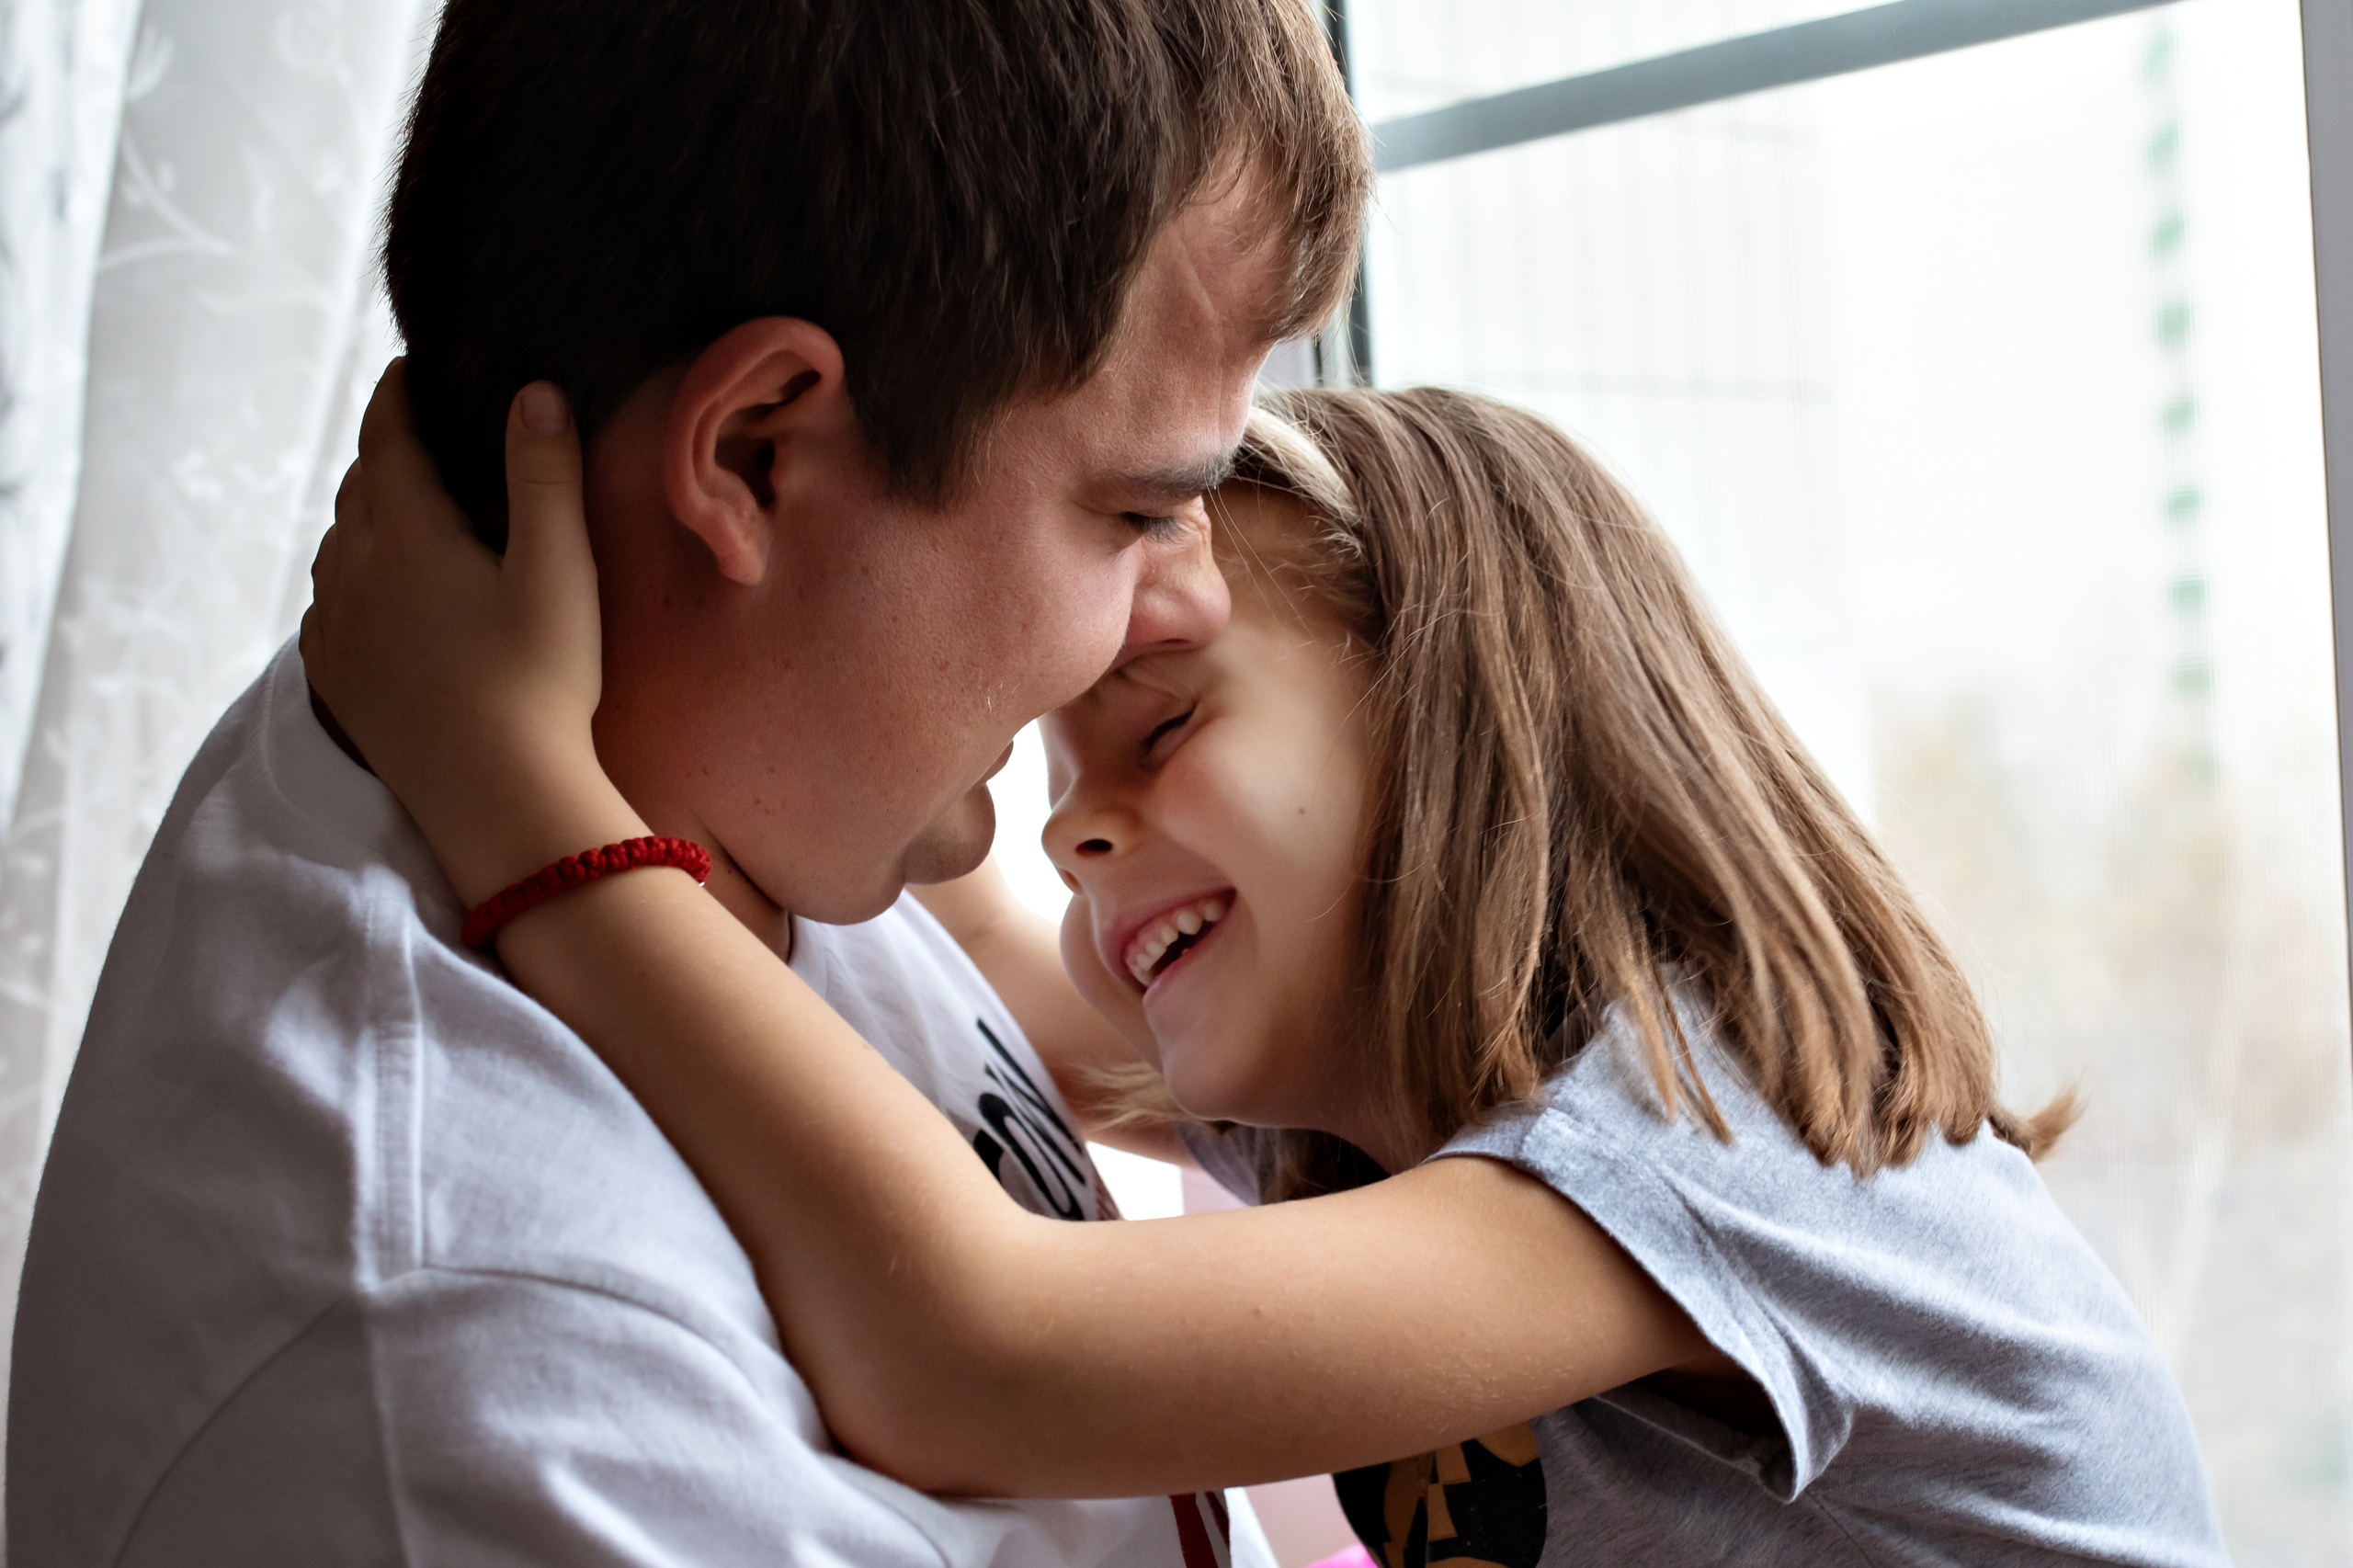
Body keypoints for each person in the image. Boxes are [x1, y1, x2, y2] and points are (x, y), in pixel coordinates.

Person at [302, 382, 2232, 1568]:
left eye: (1156, 731)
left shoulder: (1693, 1139)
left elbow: (970, 1354)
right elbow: (977, 940)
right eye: (1065, 786)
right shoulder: (1344, 1119)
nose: (1069, 830)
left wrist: (519, 792)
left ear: (1462, 712)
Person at [6, 0, 1368, 1562]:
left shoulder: (745, 759)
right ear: (752, 458)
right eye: (1134, 512)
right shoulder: (488, 1382)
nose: (1186, 605)